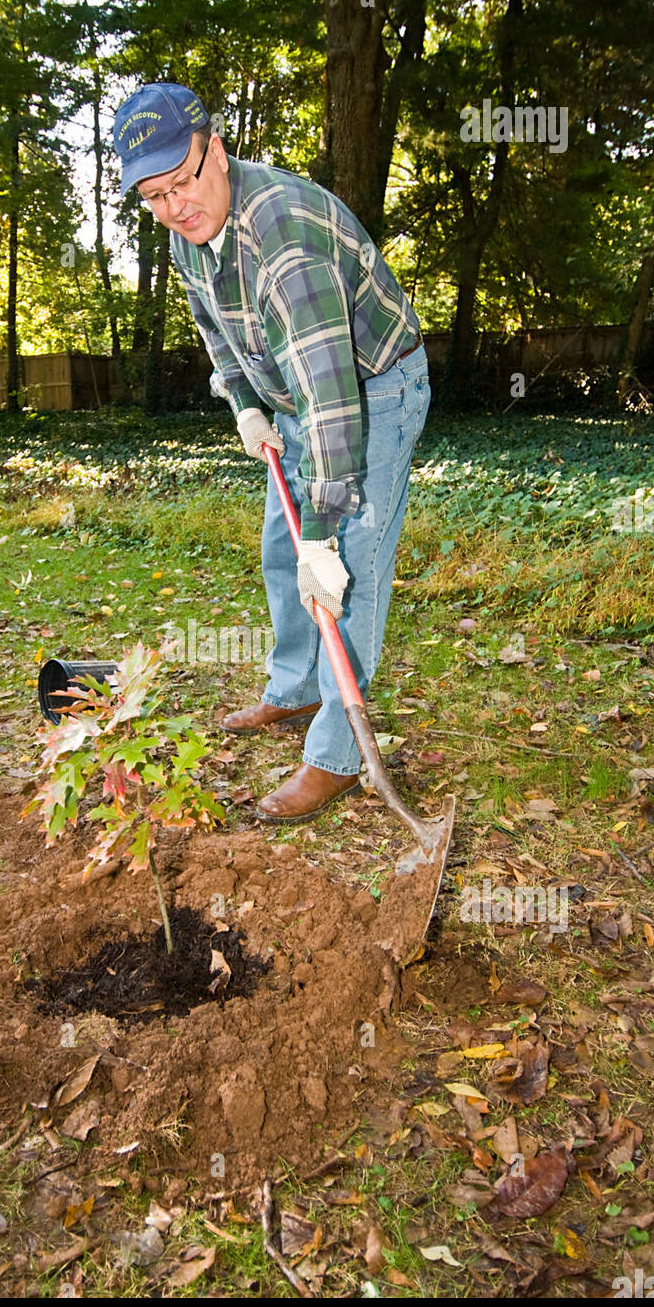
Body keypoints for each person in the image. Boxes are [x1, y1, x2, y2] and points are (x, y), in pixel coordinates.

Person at [113, 83, 430, 822]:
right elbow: (214, 327)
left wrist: (325, 534)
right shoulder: (185, 231)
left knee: (343, 572)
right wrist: (247, 404)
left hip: (373, 388)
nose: (174, 207)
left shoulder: (283, 240)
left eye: (184, 182)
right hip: (291, 396)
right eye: (154, 196)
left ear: (216, 150)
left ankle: (336, 758)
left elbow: (333, 403)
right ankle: (297, 690)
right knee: (280, 555)